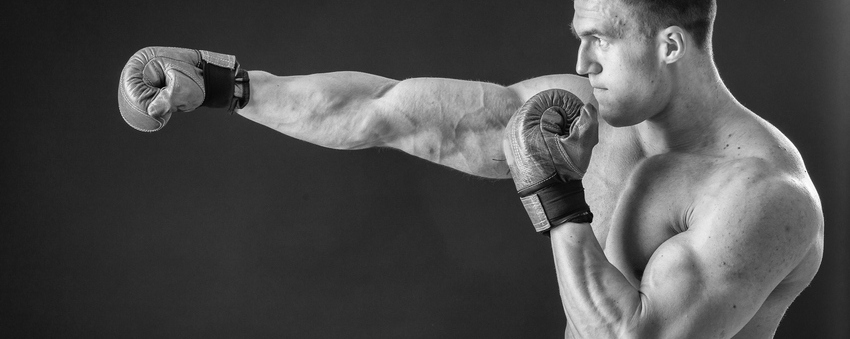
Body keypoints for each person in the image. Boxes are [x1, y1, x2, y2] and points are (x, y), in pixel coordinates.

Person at [117, 0, 824, 337]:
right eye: (577, 40)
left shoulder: (760, 193)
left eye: (600, 41)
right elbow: (387, 111)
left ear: (670, 46)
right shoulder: (585, 114)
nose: (580, 65)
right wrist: (229, 85)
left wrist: (552, 190)